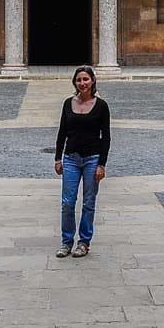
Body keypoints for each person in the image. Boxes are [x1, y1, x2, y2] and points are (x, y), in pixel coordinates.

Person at [53, 65, 110, 258]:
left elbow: (106, 137)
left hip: (92, 159)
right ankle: (66, 242)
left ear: (92, 81)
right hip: (71, 158)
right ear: (75, 82)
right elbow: (62, 132)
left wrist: (102, 164)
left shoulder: (101, 106)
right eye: (79, 80)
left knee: (88, 203)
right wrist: (58, 158)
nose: (82, 83)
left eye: (86, 79)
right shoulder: (68, 103)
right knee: (67, 203)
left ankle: (84, 242)